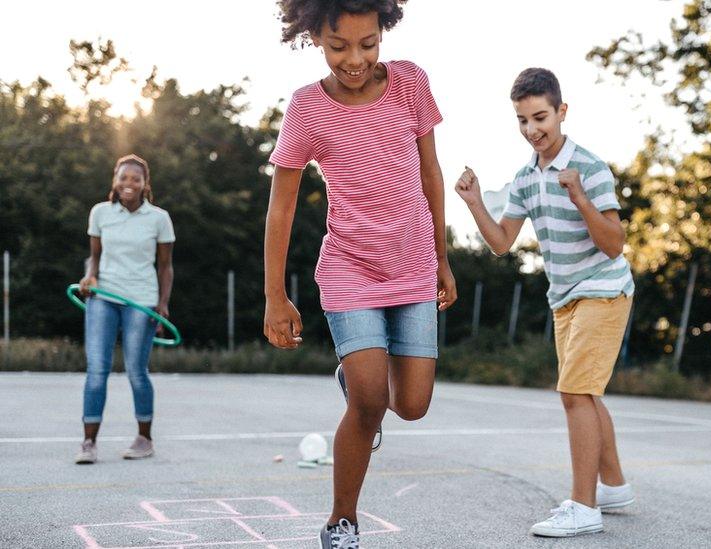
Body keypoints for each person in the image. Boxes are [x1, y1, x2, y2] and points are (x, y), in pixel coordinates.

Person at [265, 1, 456, 546]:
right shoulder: (306, 108)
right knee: (370, 402)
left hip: (414, 261)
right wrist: (275, 296)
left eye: (368, 44)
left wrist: (441, 256)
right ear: (314, 39)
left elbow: (431, 171)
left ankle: (357, 380)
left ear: (383, 34)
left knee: (411, 405)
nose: (355, 59)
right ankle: (341, 521)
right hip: (350, 267)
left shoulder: (411, 84)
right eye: (338, 46)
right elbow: (281, 208)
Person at [455, 68, 636, 538]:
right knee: (585, 392)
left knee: (573, 393)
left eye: (540, 118)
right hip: (564, 298)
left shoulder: (590, 168)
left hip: (603, 289)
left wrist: (579, 196)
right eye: (522, 120)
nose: (532, 129)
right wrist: (475, 202)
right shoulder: (524, 178)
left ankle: (583, 506)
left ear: (561, 112)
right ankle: (613, 485)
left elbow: (614, 243)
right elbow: (501, 243)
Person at [75, 154, 175, 465]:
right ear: (114, 181)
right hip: (103, 297)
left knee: (136, 371)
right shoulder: (100, 213)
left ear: (146, 184)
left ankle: (144, 438)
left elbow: (166, 267)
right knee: (96, 371)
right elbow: (94, 256)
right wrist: (89, 276)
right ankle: (88, 443)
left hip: (141, 300)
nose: (128, 183)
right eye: (123, 177)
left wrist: (162, 305)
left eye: (135, 178)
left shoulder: (159, 218)